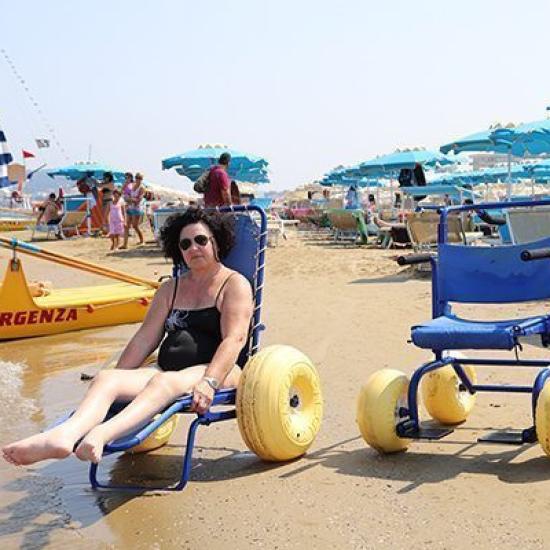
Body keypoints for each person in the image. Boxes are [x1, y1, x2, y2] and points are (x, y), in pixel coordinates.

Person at [2, 208, 254, 466]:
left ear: (216, 243)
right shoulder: (171, 288)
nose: (193, 248)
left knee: (163, 383)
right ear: (178, 250)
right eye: (185, 244)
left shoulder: (233, 284)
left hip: (218, 370)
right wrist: (121, 379)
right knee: (107, 379)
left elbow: (234, 339)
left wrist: (209, 382)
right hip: (166, 370)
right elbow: (145, 338)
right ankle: (63, 436)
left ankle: (100, 434)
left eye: (201, 240)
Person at [120, 173, 145, 249]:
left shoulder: (142, 188)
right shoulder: (132, 185)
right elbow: (123, 191)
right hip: (130, 207)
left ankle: (142, 240)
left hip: (136, 208)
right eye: (137, 178)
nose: (138, 179)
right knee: (126, 226)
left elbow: (139, 200)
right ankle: (125, 244)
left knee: (135, 226)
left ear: (141, 179)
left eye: (139, 178)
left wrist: (130, 199)